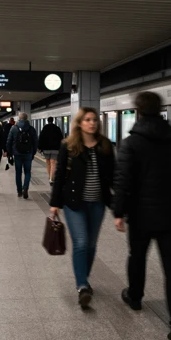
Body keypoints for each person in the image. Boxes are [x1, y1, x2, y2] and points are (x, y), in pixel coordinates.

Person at [112, 92, 171, 340]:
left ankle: (135, 296)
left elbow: (122, 180)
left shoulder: (132, 143)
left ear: (138, 111)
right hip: (170, 214)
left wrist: (118, 212)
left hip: (141, 214)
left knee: (137, 256)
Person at [49, 107, 115, 308]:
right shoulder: (68, 146)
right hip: (74, 203)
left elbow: (113, 175)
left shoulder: (105, 145)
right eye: (87, 119)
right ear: (79, 123)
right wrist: (55, 203)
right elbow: (60, 175)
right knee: (81, 242)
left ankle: (83, 277)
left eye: (94, 119)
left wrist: (119, 203)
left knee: (92, 244)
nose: (92, 123)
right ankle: (82, 286)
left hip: (98, 203)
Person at [6, 112, 38, 199]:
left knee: (18, 172)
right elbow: (35, 142)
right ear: (27, 118)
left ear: (18, 119)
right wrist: (33, 152)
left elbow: (9, 141)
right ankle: (25, 188)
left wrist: (9, 153)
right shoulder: (31, 129)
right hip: (28, 153)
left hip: (17, 154)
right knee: (27, 172)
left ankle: (19, 191)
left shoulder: (14, 128)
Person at [37, 117, 63, 185]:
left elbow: (41, 138)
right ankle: (52, 178)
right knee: (53, 162)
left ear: (48, 121)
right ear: (53, 120)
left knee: (48, 163)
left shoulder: (45, 128)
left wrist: (39, 147)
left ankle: (50, 176)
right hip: (55, 149)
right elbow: (61, 138)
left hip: (46, 149)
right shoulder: (57, 128)